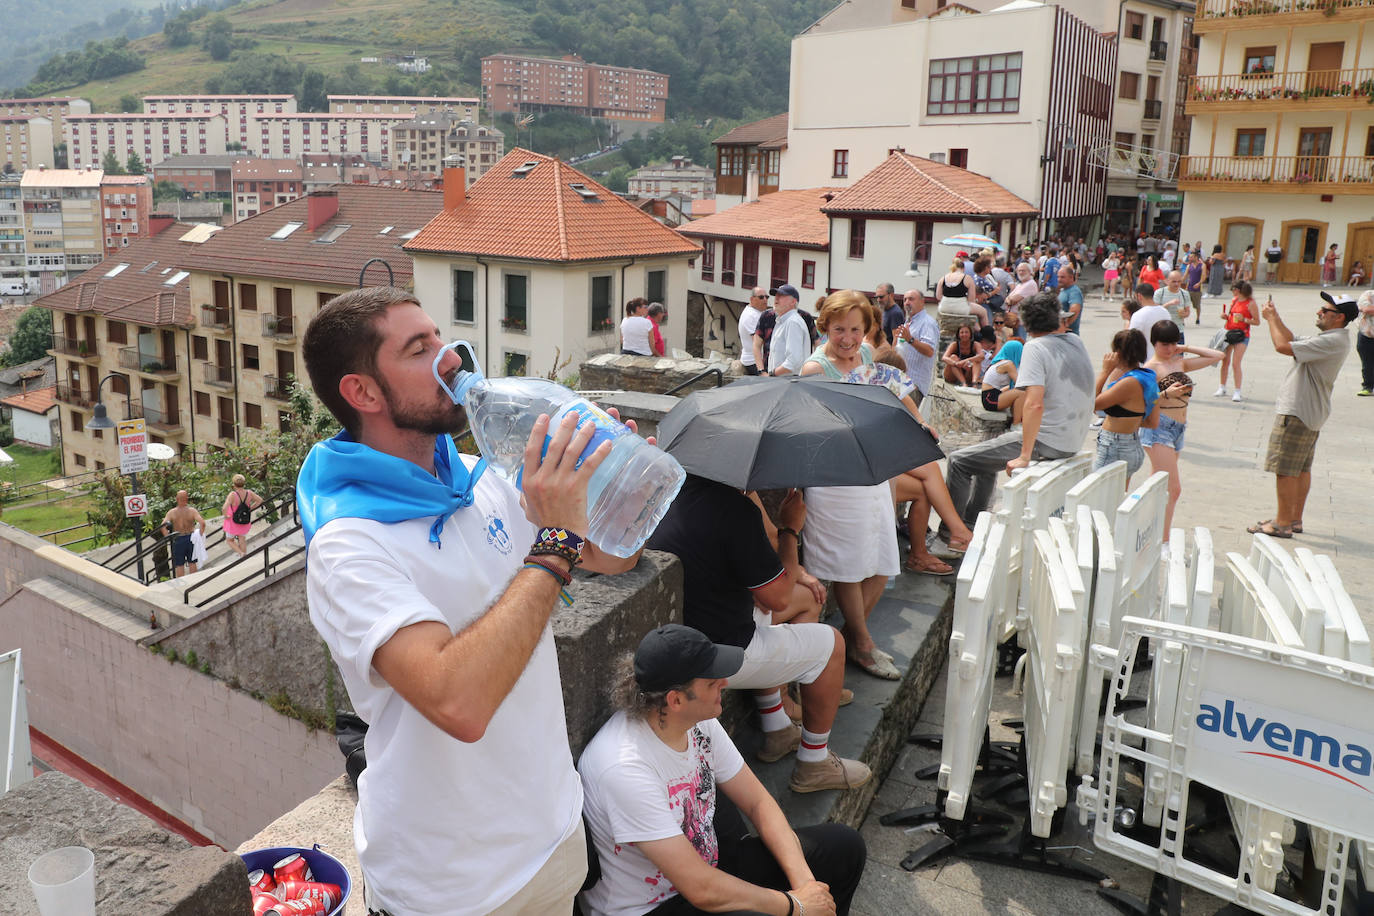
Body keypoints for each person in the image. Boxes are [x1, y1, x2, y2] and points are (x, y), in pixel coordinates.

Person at [296, 286, 642, 915]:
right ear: (364, 393)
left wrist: (610, 480)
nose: (451, 356)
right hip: (451, 881)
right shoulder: (348, 545)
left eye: (440, 337)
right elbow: (459, 702)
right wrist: (558, 540)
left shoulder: (482, 477)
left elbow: (616, 558)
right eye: (418, 348)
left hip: (552, 831)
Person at [578, 625, 867, 916]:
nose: (725, 682)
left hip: (709, 869)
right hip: (653, 908)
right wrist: (796, 905)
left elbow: (758, 803)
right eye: (711, 681)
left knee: (843, 848)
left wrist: (807, 887)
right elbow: (700, 888)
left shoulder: (695, 720)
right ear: (675, 700)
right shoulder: (624, 768)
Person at [645, 474, 871, 792]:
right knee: (832, 644)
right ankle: (815, 763)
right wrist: (792, 529)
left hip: (680, 638)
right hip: (719, 654)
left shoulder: (670, 492)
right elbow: (777, 595)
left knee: (771, 609)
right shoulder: (733, 509)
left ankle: (777, 725)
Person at [800, 291, 974, 600]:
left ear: (866, 329)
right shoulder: (816, 370)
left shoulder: (866, 354)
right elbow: (816, 431)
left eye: (856, 329)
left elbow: (891, 387)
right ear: (825, 327)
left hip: (871, 456)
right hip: (845, 470)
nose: (848, 338)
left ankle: (940, 541)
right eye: (839, 329)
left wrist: (919, 420)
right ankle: (947, 538)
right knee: (924, 484)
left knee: (928, 470)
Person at [941, 292, 1095, 532]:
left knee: (959, 462)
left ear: (1026, 323)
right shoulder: (1075, 341)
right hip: (1072, 439)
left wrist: (1024, 455)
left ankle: (951, 535)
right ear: (1057, 318)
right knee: (985, 460)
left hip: (1047, 440)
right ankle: (970, 524)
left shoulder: (1035, 347)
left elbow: (1033, 403)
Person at [1247, 292, 1357, 538]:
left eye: (1324, 310)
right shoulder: (1332, 338)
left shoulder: (1333, 341)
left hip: (1298, 410)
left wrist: (1270, 321)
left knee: (1285, 468)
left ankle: (1282, 523)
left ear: (1339, 317)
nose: (1319, 312)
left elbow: (1282, 346)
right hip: (1310, 411)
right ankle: (1294, 517)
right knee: (1301, 468)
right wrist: (1275, 316)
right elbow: (1292, 340)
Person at [1141, 321, 1224, 549]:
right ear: (1154, 343)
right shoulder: (1151, 368)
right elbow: (1142, 401)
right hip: (1159, 428)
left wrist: (1186, 348)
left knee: (1157, 486)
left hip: (1179, 428)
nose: (1168, 348)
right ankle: (1163, 542)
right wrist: (1165, 393)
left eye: (1172, 343)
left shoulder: (1179, 361)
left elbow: (1218, 356)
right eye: (1163, 344)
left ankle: (1145, 527)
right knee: (1173, 489)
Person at [1092, 329, 1161, 482]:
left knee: (1093, 496)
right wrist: (1127, 419)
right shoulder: (1149, 378)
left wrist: (1105, 371)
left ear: (1118, 353)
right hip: (1131, 445)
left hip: (1115, 447)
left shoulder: (1129, 382)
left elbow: (1092, 404)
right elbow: (1152, 422)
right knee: (1116, 498)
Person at [1214, 281, 1260, 402]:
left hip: (1242, 335)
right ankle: (1222, 386)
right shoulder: (1234, 300)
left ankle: (1237, 391)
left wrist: (1244, 319)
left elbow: (1257, 321)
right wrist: (1226, 316)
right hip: (1229, 332)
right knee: (1225, 361)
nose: (1232, 291)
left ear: (1239, 290)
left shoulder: (1251, 303)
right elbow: (1231, 316)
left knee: (1236, 363)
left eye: (1233, 289)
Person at [895, 288, 939, 406]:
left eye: (911, 299)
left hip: (913, 384)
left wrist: (910, 339)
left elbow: (929, 351)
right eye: (905, 300)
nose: (907, 302)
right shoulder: (908, 322)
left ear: (922, 302)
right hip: (902, 381)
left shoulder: (927, 323)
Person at [158, 490, 206, 578]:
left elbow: (162, 526)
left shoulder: (172, 512)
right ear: (187, 498)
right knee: (192, 562)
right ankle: (193, 581)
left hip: (178, 538)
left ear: (177, 499)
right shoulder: (192, 511)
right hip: (191, 538)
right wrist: (200, 534)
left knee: (179, 564)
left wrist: (167, 537)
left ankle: (181, 584)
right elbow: (202, 523)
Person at [766, 285, 809, 376]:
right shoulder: (785, 321)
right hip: (783, 382)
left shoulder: (793, 322)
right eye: (776, 295)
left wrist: (772, 374)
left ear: (793, 302)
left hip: (788, 383)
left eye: (781, 295)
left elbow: (794, 361)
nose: (776, 298)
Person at [979, 338, 1025, 420]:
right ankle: (1016, 423)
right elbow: (1019, 383)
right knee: (1021, 392)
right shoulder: (1008, 364)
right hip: (989, 399)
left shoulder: (1002, 362)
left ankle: (1018, 416)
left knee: (1015, 390)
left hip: (991, 395)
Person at [936, 256, 988, 326]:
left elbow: (938, 297)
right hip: (961, 308)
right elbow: (971, 300)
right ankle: (986, 333)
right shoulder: (967, 278)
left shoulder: (943, 278)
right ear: (963, 268)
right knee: (983, 312)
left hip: (944, 307)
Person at [221, 473, 262, 558]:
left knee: (229, 540)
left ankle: (241, 553)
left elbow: (224, 508)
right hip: (244, 519)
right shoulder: (249, 493)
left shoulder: (232, 495)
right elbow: (259, 500)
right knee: (242, 539)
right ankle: (244, 557)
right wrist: (250, 508)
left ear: (234, 484)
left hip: (233, 521)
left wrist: (226, 515)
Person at [738, 288, 769, 375]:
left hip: (756, 360)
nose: (765, 300)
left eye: (766, 297)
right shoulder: (751, 316)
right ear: (752, 299)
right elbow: (758, 342)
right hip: (754, 362)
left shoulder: (756, 312)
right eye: (761, 297)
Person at [1153, 270, 1191, 338]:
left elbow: (1187, 312)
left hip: (1178, 329)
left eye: (1179, 281)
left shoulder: (1184, 294)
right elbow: (1155, 311)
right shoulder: (1160, 293)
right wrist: (1169, 303)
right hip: (1162, 330)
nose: (1176, 284)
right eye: (1174, 281)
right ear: (1167, 281)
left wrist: (1184, 314)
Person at [1005, 262, 1038, 337]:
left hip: (1022, 321)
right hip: (1014, 320)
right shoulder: (1020, 284)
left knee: (1020, 341)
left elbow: (1013, 300)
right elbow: (1007, 299)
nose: (1020, 272)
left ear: (1030, 272)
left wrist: (1010, 299)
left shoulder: (1030, 284)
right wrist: (1009, 299)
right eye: (1019, 270)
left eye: (1023, 270)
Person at [1057, 265, 1084, 334]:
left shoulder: (1074, 292)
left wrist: (1066, 325)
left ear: (1071, 277)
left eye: (1062, 277)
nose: (1059, 279)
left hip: (1068, 335)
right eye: (1058, 277)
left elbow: (1075, 310)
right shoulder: (1064, 290)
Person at [1183, 250, 1207, 324]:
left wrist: (1199, 283)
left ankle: (1197, 318)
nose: (1189, 258)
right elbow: (1185, 276)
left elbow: (1204, 276)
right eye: (1189, 257)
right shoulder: (1189, 266)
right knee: (1185, 304)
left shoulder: (1202, 265)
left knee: (1197, 305)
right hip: (1189, 288)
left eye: (1191, 257)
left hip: (1197, 289)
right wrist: (1179, 281)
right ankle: (1183, 320)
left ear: (1196, 257)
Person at [1358, 289, 1374, 397]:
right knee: (1367, 362)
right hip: (1367, 335)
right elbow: (1367, 309)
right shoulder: (1368, 294)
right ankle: (1367, 386)